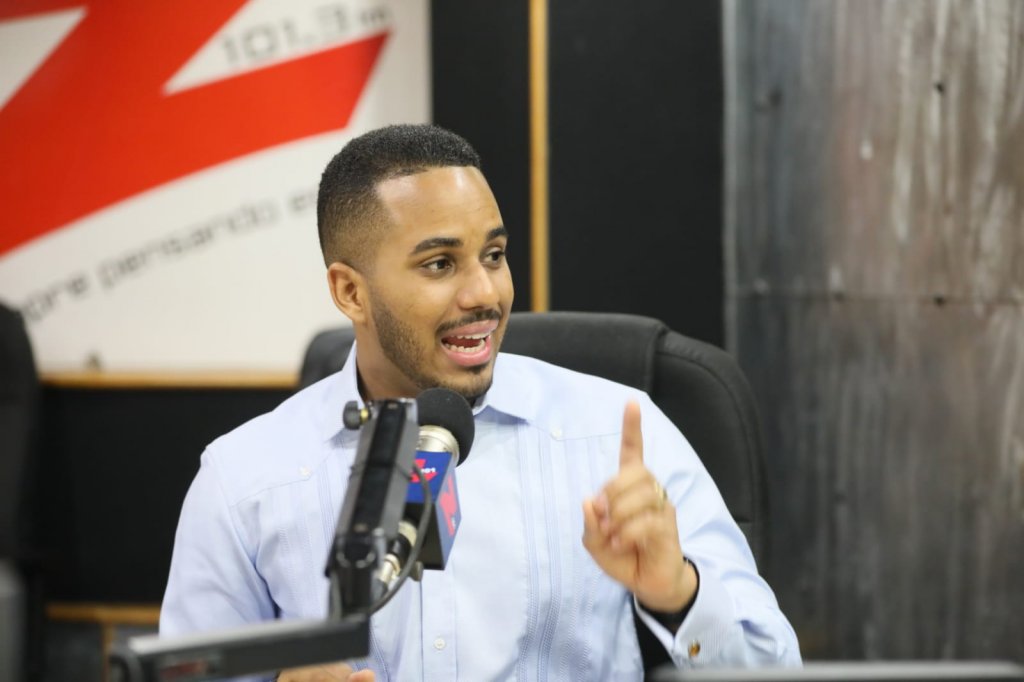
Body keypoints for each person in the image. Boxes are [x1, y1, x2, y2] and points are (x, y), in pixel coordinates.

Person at [160, 124, 801, 680]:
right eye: (439, 264)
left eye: (493, 255)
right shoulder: (245, 480)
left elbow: (776, 671)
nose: (485, 294)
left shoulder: (617, 436)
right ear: (350, 292)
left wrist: (679, 594)